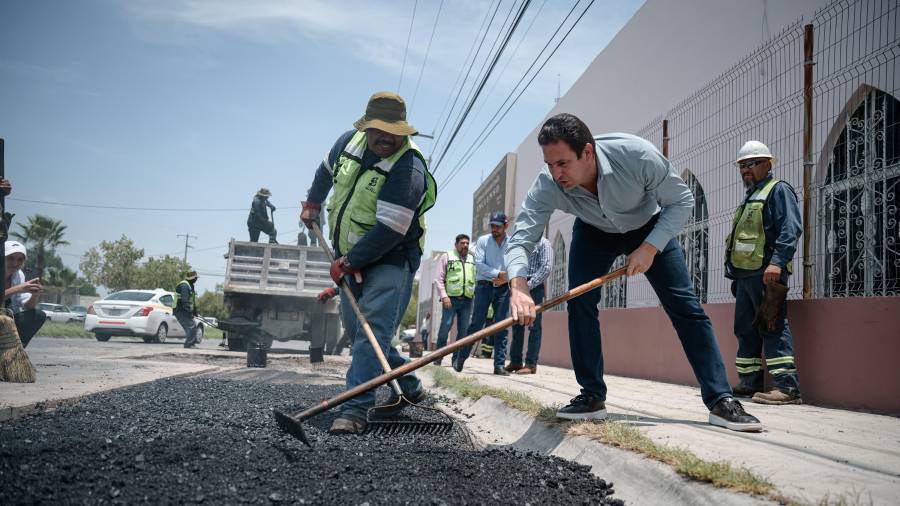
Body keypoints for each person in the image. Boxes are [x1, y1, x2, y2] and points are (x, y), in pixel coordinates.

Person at [506, 113, 762, 432]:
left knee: (686, 308)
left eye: (563, 163)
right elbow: (522, 236)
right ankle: (592, 396)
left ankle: (721, 400)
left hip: (648, 226)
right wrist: (518, 285)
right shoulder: (548, 183)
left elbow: (681, 200)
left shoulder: (636, 155)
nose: (556, 173)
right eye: (549, 164)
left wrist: (651, 246)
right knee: (580, 304)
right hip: (593, 231)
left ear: (587, 152)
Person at [300, 91, 437, 435]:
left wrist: (349, 262)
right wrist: (313, 203)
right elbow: (325, 173)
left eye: (395, 131)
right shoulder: (349, 143)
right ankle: (409, 385)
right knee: (362, 332)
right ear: (366, 127)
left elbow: (391, 229)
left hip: (391, 257)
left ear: (405, 132)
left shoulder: (409, 167)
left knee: (371, 330)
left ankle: (355, 409)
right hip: (349, 255)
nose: (386, 138)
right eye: (379, 130)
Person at [726, 141, 802, 405]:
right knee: (745, 330)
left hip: (768, 274)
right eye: (742, 166)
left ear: (768, 164)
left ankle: (787, 388)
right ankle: (749, 382)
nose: (746, 169)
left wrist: (777, 263)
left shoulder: (778, 190)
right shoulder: (751, 195)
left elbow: (790, 229)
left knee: (773, 325)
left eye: (752, 164)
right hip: (746, 276)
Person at [452, 212, 511, 376]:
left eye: (498, 226)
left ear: (506, 226)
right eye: (492, 226)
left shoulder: (512, 243)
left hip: (504, 289)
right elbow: (479, 264)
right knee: (476, 324)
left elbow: (514, 264)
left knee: (502, 326)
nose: (494, 229)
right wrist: (499, 274)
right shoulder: (484, 241)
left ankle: (499, 365)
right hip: (484, 287)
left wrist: (506, 279)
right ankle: (461, 358)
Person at [506, 235, 552, 375]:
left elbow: (546, 268)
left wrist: (527, 286)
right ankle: (516, 361)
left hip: (535, 287)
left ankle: (531, 364)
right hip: (519, 285)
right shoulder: (521, 243)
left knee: (534, 326)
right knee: (517, 323)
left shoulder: (544, 243)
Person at [432, 234, 475, 364]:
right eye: (462, 243)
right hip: (450, 300)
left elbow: (475, 278)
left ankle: (456, 358)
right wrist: (444, 296)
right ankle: (438, 357)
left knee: (463, 332)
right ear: (456, 245)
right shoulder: (447, 256)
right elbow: (438, 279)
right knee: (445, 328)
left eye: (467, 243)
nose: (465, 245)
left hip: (467, 300)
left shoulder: (472, 258)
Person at [3, 241, 46, 347]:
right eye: (11, 258)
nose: (15, 263)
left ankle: (16, 351)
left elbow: (27, 306)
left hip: (7, 319)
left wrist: (35, 295)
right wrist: (18, 288)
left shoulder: (19, 275)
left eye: (20, 259)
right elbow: (18, 290)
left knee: (38, 315)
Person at [173, 271, 200, 349]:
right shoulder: (184, 286)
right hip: (181, 310)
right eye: (195, 278)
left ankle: (191, 344)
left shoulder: (190, 285)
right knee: (191, 326)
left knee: (193, 325)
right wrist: (189, 312)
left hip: (184, 310)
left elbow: (192, 300)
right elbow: (185, 301)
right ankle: (188, 345)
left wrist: (194, 311)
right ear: (192, 278)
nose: (196, 280)